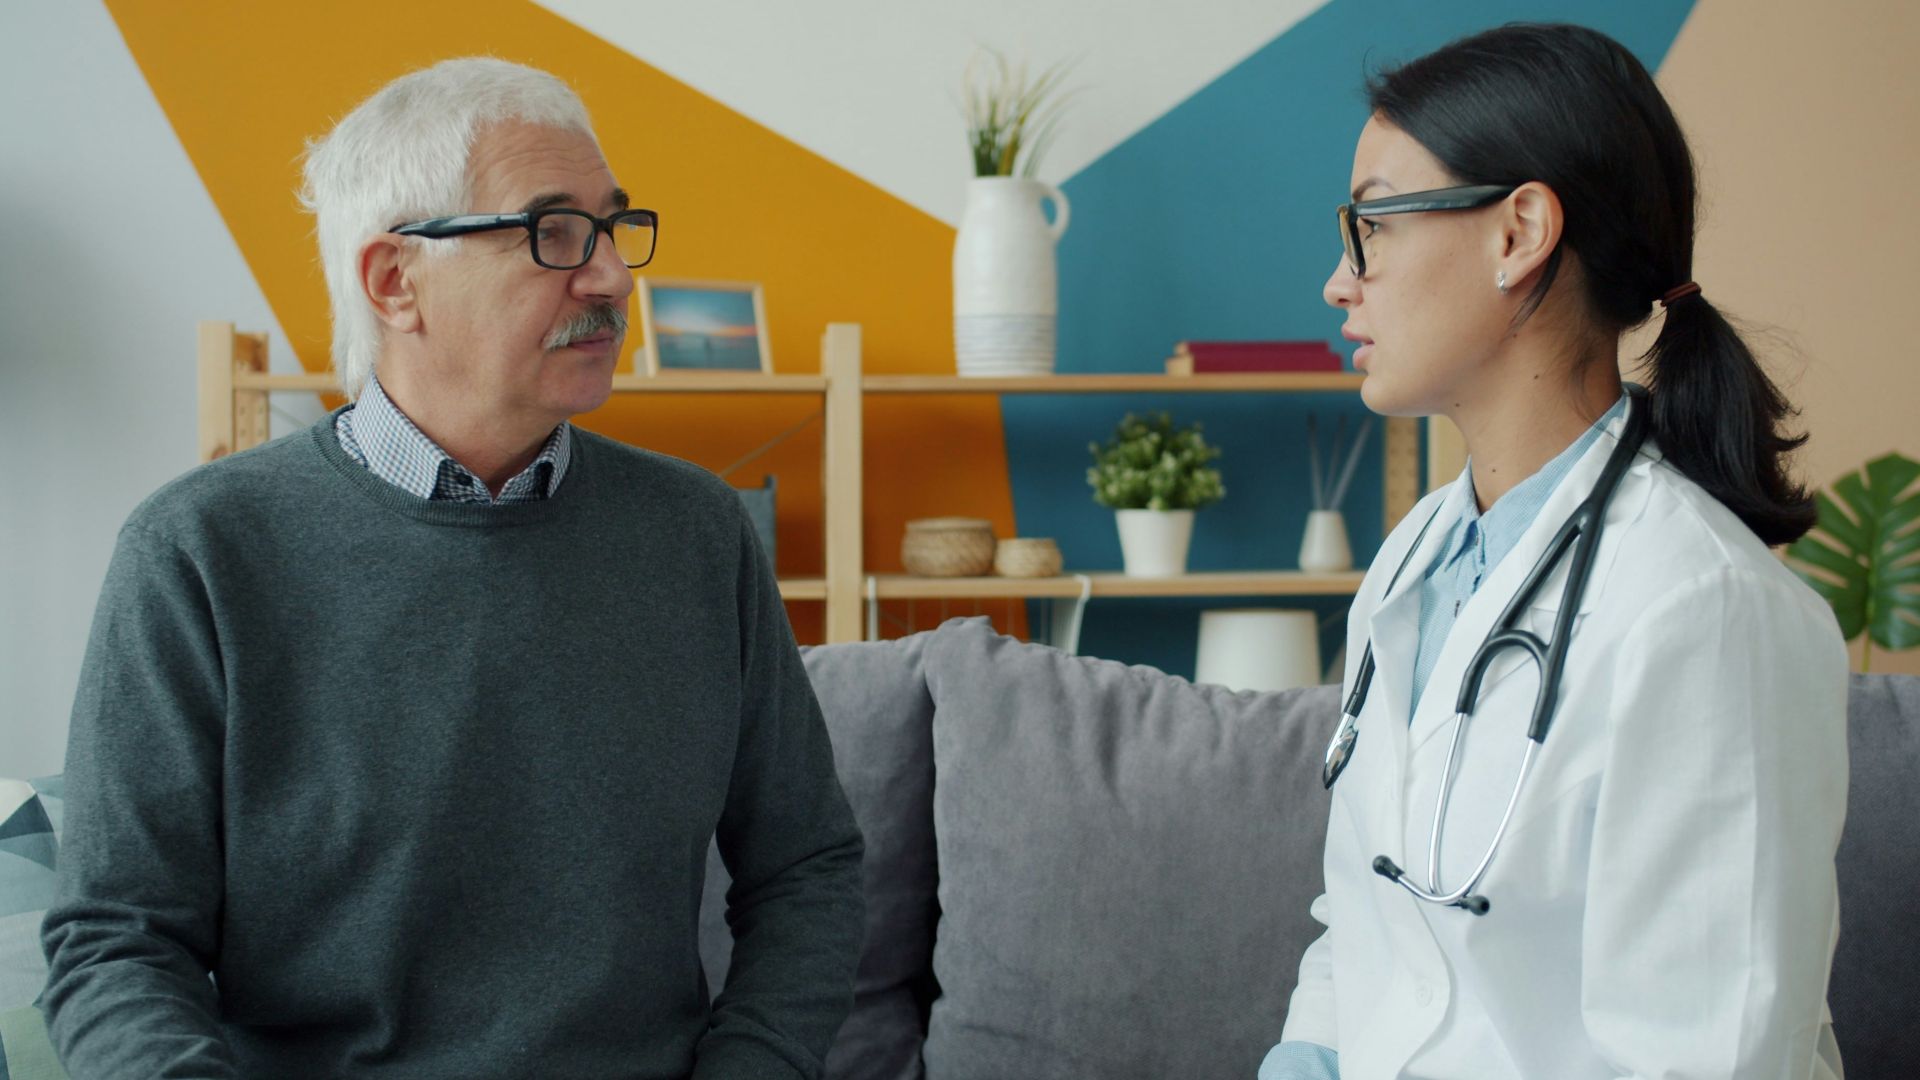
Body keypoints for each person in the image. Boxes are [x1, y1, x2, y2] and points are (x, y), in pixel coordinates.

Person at [41, 57, 864, 1079]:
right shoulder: (196, 555)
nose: (611, 275)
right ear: (396, 282)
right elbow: (116, 947)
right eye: (554, 233)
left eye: (612, 229)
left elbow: (809, 871)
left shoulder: (698, 533)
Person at [1260, 23, 1848, 1080]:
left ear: (1519, 232)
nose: (1338, 283)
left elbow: (1703, 1057)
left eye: (1372, 225)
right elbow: (1368, 920)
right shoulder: (1417, 560)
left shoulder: (1704, 611)